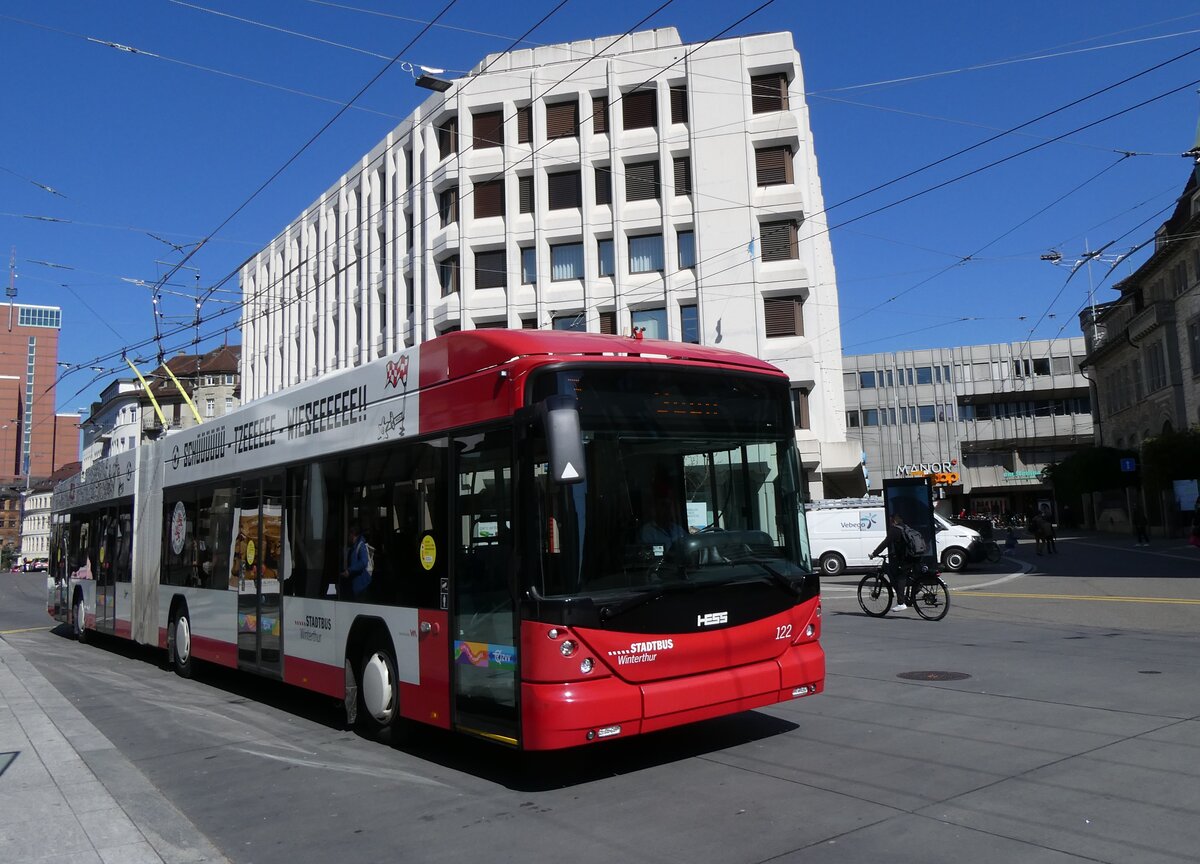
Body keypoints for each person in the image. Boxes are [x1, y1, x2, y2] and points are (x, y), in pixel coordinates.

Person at [868, 514, 915, 613]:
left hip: (905, 558)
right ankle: (911, 594)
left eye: (890, 521)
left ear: (893, 521)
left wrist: (874, 554)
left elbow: (885, 543)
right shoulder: (905, 527)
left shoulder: (894, 530)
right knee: (908, 575)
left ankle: (901, 603)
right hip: (914, 556)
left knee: (900, 577)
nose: (890, 523)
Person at [341, 523, 372, 600]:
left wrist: (349, 570)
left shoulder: (361, 545)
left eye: (348, 535)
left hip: (361, 587)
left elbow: (363, 562)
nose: (348, 537)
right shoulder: (354, 547)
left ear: (352, 534)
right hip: (357, 586)